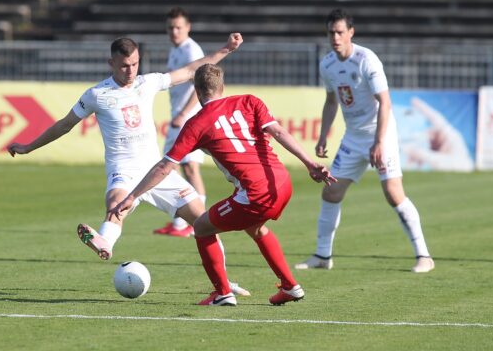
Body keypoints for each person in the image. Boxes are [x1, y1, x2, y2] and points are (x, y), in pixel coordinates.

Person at [7, 33, 250, 296]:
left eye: (134, 64)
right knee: (115, 205)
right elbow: (65, 125)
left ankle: (224, 283)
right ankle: (104, 243)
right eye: (124, 65)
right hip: (124, 170)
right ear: (111, 63)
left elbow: (192, 70)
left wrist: (227, 48)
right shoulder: (96, 95)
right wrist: (29, 146)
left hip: (158, 172)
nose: (130, 70)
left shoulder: (148, 83)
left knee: (203, 221)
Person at [109, 64, 336, 306]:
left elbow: (165, 167)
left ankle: (222, 292)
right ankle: (291, 286)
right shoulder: (249, 101)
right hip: (281, 181)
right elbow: (278, 132)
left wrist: (132, 196)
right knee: (256, 228)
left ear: (196, 91)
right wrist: (310, 164)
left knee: (202, 227)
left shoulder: (196, 124)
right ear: (222, 86)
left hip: (255, 192)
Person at [294, 9, 435, 273]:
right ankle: (323, 257)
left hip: (380, 134)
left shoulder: (366, 60)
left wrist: (380, 142)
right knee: (331, 191)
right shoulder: (327, 64)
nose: (335, 37)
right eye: (331, 32)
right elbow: (331, 100)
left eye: (339, 32)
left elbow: (385, 102)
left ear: (350, 33)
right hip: (353, 136)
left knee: (393, 194)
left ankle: (424, 256)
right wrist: (324, 134)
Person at [153, 7, 207, 237]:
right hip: (180, 118)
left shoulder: (191, 50)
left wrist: (184, 114)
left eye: (178, 27)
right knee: (176, 168)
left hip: (189, 118)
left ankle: (197, 223)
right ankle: (182, 223)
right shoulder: (175, 50)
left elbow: (201, 84)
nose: (174, 32)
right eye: (170, 27)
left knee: (186, 168)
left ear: (188, 27)